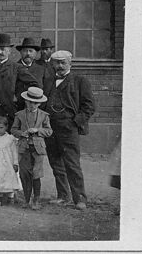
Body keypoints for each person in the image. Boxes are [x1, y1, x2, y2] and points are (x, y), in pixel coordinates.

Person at [42, 50, 96, 210]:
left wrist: (74, 123)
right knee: (55, 163)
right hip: (51, 128)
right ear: (52, 64)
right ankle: (63, 196)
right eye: (56, 63)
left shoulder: (80, 81)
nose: (59, 66)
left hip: (68, 129)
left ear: (70, 63)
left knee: (72, 164)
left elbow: (89, 106)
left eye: (62, 62)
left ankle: (80, 199)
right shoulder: (48, 81)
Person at [0, 33, 39, 125]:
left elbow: (34, 83)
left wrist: (18, 98)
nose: (0, 52)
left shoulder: (16, 68)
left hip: (7, 111)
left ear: (9, 51)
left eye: (3, 49)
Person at [12, 86, 53, 210]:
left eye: (35, 103)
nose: (32, 105)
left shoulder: (44, 116)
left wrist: (38, 130)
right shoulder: (19, 115)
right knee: (24, 174)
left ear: (40, 103)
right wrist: (21, 133)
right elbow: (13, 129)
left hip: (38, 149)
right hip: (24, 148)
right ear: (25, 101)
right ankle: (26, 199)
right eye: (30, 102)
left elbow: (49, 131)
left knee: (36, 174)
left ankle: (36, 200)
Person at [0, 116, 21, 205]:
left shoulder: (10, 138)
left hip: (8, 161)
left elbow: (14, 152)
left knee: (9, 177)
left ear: (6, 127)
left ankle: (11, 197)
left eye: (1, 128)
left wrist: (15, 163)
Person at [14, 37, 48, 110]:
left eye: (31, 51)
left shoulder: (42, 69)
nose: (28, 53)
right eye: (25, 51)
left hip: (36, 108)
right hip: (17, 108)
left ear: (35, 53)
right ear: (20, 52)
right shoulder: (13, 68)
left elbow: (46, 90)